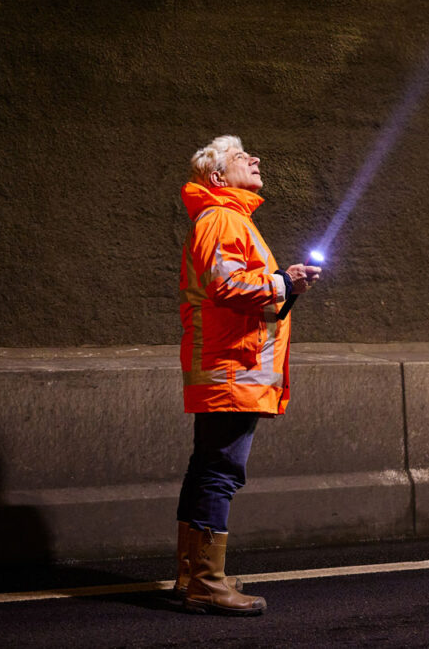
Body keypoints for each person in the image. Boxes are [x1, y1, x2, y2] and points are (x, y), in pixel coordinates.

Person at [174, 135, 321, 615]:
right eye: (242, 158)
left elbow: (246, 293)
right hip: (232, 370)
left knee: (205, 469)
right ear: (218, 177)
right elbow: (228, 285)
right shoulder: (222, 218)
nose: (256, 159)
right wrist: (282, 281)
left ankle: (192, 575)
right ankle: (208, 583)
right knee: (220, 473)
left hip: (225, 366)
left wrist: (286, 285)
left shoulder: (226, 218)